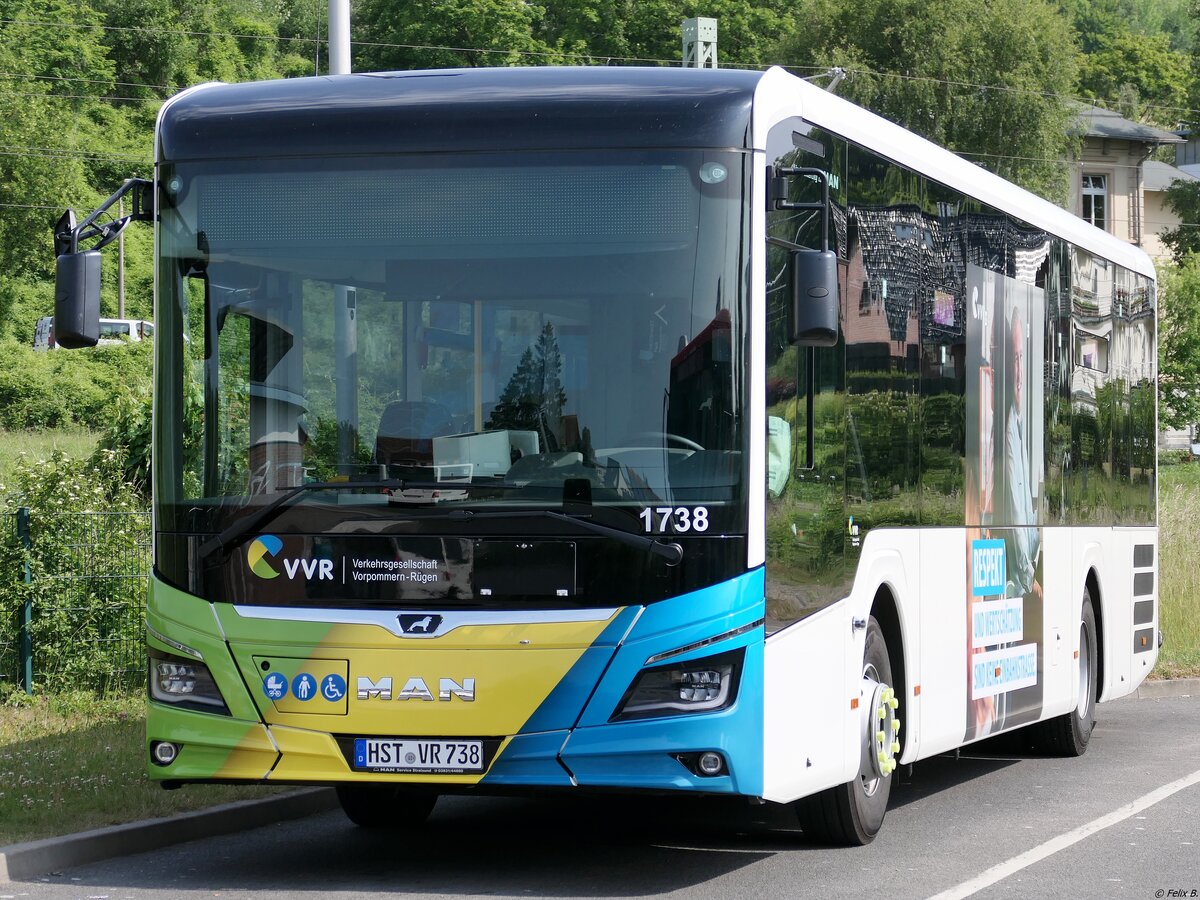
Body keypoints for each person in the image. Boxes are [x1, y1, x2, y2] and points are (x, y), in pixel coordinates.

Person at [1004, 305, 1039, 597]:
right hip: (1018, 579)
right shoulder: (1008, 429)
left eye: (1020, 358)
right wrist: (1030, 578)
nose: (1018, 371)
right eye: (1012, 359)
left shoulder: (1018, 421)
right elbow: (1015, 513)